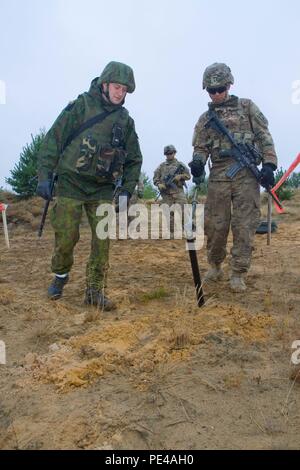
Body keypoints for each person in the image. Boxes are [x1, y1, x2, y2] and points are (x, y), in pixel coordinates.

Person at [36, 61, 142, 309]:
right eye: (117, 87)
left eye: (124, 90)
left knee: (102, 240)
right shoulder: (81, 106)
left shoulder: (125, 121)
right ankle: (60, 275)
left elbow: (135, 159)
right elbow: (54, 139)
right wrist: (44, 175)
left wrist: (126, 189)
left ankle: (94, 290)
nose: (120, 93)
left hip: (102, 189)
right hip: (72, 183)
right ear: (105, 84)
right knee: (66, 236)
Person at [189, 63, 278, 292]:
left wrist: (269, 164)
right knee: (216, 226)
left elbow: (264, 136)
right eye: (211, 90)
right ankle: (216, 265)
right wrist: (198, 162)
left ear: (229, 85)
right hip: (219, 175)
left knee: (244, 225)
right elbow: (200, 146)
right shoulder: (205, 119)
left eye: (220, 88)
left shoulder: (247, 107)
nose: (216, 94)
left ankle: (238, 272)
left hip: (247, 175)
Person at [153, 145, 190, 235]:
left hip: (178, 192)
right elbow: (155, 178)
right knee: (169, 213)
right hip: (166, 193)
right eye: (167, 154)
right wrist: (159, 184)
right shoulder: (161, 167)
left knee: (184, 211)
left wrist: (180, 176)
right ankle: (172, 233)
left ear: (174, 153)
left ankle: (188, 231)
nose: (169, 155)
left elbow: (188, 176)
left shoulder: (180, 165)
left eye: (171, 153)